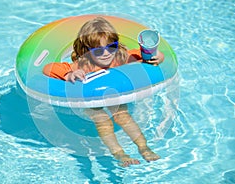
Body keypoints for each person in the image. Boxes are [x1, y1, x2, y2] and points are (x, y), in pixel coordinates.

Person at [43, 17, 164, 167]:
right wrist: (69, 75)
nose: (106, 53)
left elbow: (144, 55)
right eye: (99, 50)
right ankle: (119, 153)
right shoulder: (83, 64)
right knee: (103, 120)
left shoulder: (120, 56)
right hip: (92, 101)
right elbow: (48, 68)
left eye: (111, 46)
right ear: (87, 51)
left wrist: (158, 56)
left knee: (123, 116)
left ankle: (144, 148)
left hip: (113, 97)